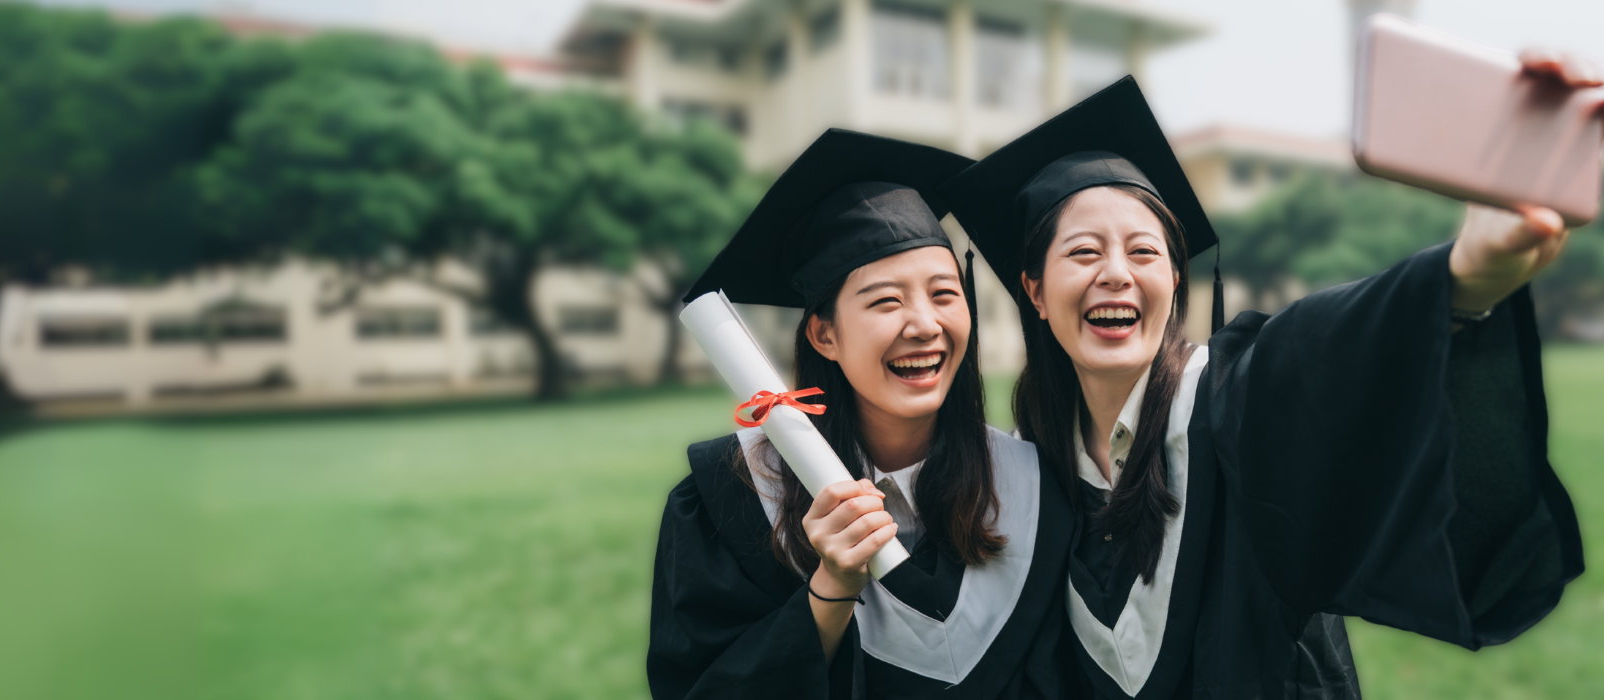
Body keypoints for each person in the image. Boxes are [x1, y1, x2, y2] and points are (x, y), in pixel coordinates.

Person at [939, 75, 1587, 699]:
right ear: (1035, 293)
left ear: (1175, 281)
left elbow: (1316, 357)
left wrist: (1468, 274)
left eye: (1144, 253)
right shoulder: (1030, 472)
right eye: (1083, 253)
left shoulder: (1226, 404)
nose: (1116, 274)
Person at [647, 129, 1076, 699]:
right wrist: (830, 590)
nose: (924, 324)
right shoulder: (733, 499)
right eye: (886, 301)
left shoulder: (1034, 484)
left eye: (945, 294)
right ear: (824, 334)